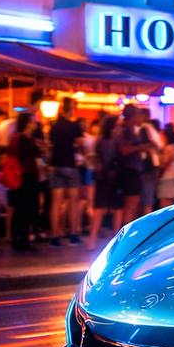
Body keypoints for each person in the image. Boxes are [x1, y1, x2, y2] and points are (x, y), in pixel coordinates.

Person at [47, 97, 84, 246]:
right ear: (72, 109)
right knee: (73, 202)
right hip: (70, 164)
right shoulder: (74, 126)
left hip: (56, 165)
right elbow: (80, 144)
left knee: (56, 203)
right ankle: (73, 234)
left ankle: (55, 236)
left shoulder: (54, 126)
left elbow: (50, 145)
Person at [88, 114, 123, 248]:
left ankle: (91, 240)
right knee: (117, 208)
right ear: (112, 127)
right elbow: (114, 158)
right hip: (114, 177)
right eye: (117, 126)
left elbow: (97, 158)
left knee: (99, 208)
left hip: (102, 177)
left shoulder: (100, 140)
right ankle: (116, 241)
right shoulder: (116, 142)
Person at [9, 112, 41, 252]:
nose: (35, 123)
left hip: (25, 176)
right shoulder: (23, 139)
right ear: (27, 123)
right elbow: (27, 157)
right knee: (24, 209)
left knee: (22, 209)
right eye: (33, 121)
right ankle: (21, 239)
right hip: (24, 176)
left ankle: (20, 238)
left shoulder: (20, 138)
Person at [156, 122, 174, 207]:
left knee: (165, 201)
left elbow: (165, 163)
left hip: (167, 177)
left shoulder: (168, 148)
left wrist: (159, 173)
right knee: (172, 200)